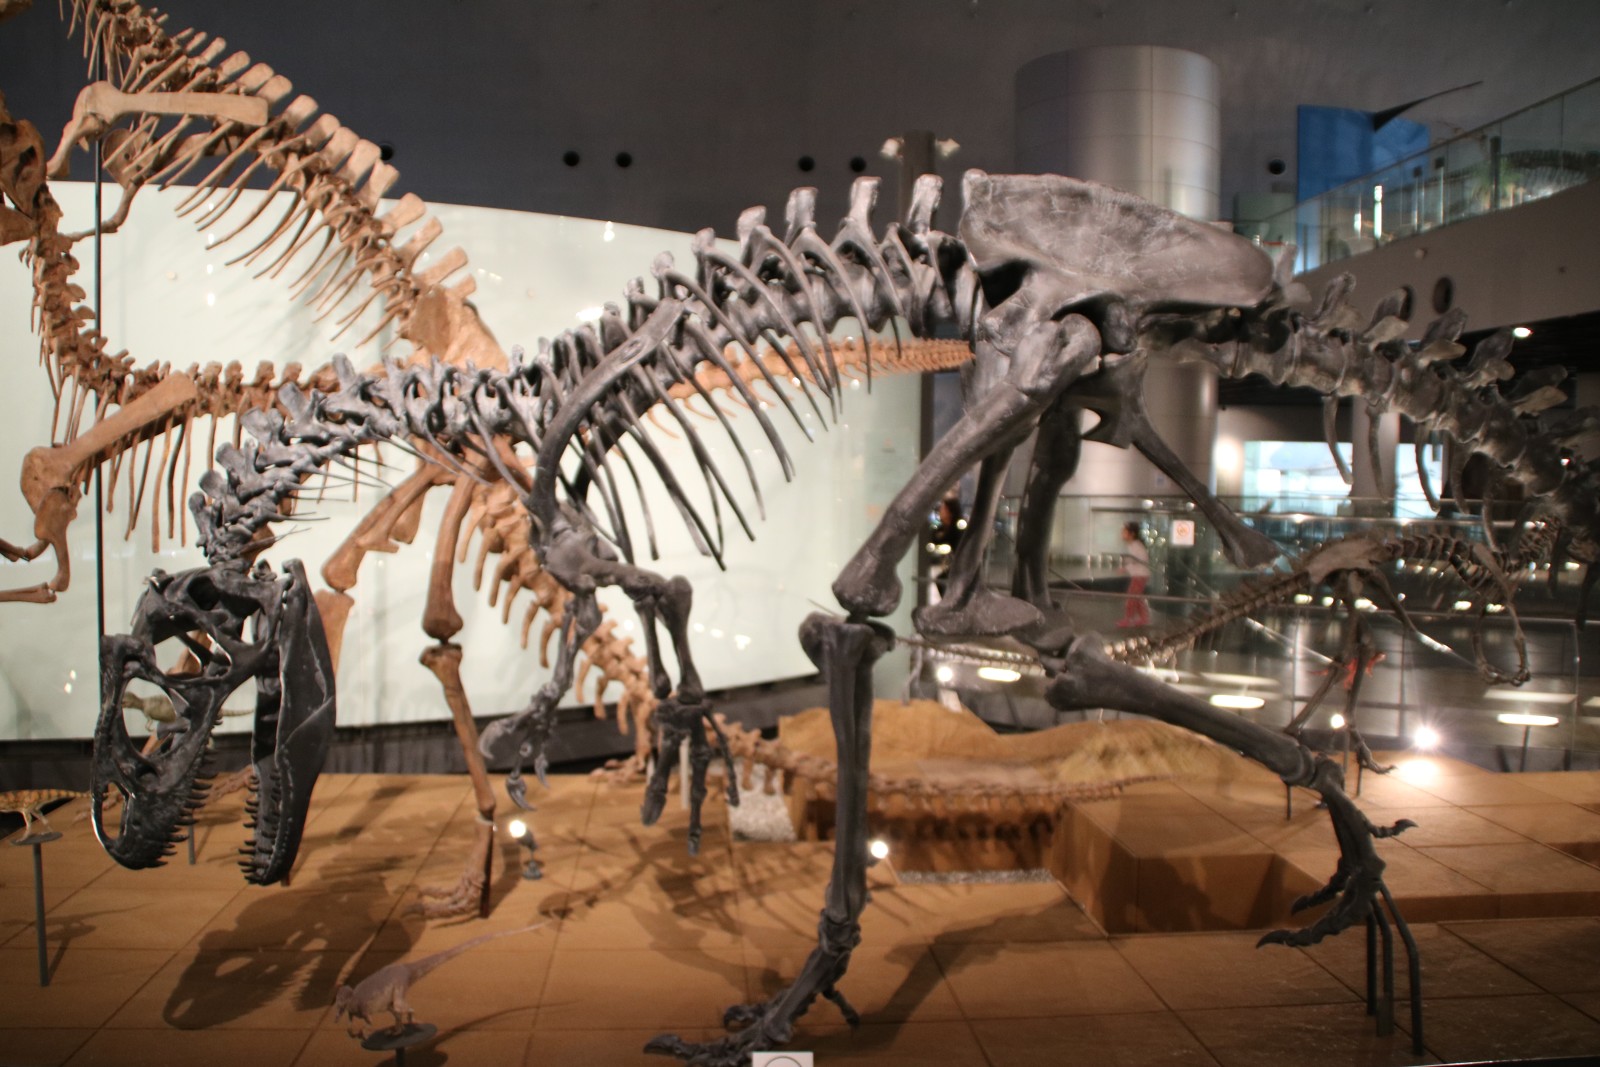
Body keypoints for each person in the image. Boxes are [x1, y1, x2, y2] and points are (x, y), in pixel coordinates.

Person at [1118, 520, 1150, 628]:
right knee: (1137, 597)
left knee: (1131, 597)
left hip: (1140, 575)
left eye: (1124, 532)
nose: (1122, 534)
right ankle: (1144, 618)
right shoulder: (1133, 545)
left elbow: (1137, 560)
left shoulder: (1136, 545)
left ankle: (1128, 619)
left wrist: (1125, 568)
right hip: (1140, 574)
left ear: (1132, 534)